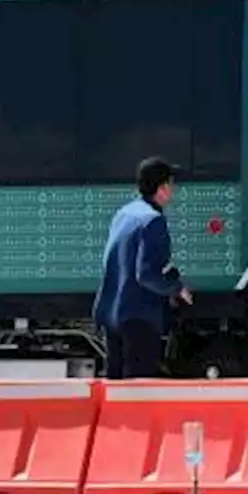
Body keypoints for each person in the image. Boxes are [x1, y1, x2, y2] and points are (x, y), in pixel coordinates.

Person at [91, 156, 193, 379]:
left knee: (116, 387)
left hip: (111, 314)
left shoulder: (124, 215)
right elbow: (146, 274)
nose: (173, 190)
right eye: (171, 184)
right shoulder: (153, 221)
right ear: (163, 187)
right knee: (139, 389)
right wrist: (176, 288)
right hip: (139, 318)